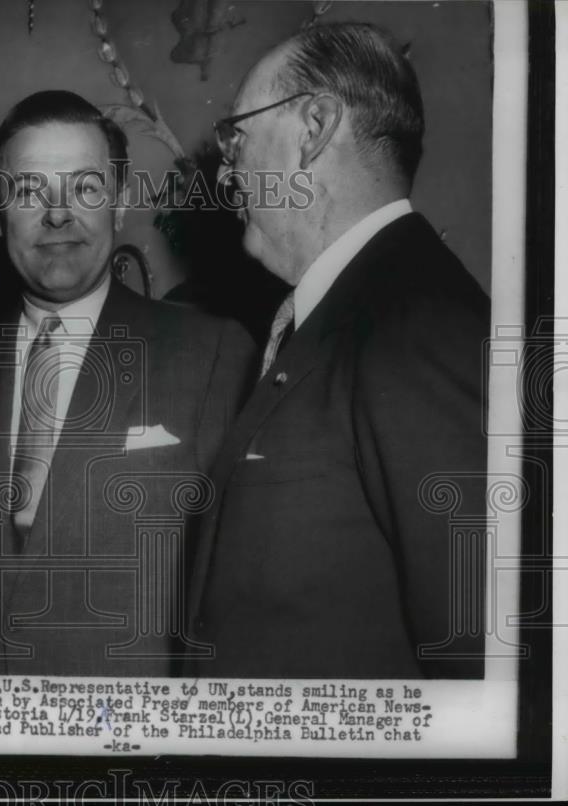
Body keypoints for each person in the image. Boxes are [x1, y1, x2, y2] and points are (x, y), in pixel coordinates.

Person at [185, 23, 489, 679]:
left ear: (315, 125)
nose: (226, 173)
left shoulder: (417, 323)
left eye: (235, 138)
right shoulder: (345, 312)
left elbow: (480, 667)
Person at [0, 90, 256, 677]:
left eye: (85, 187)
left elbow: (241, 588)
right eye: (29, 191)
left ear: (119, 205)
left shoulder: (213, 356)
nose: (57, 214)